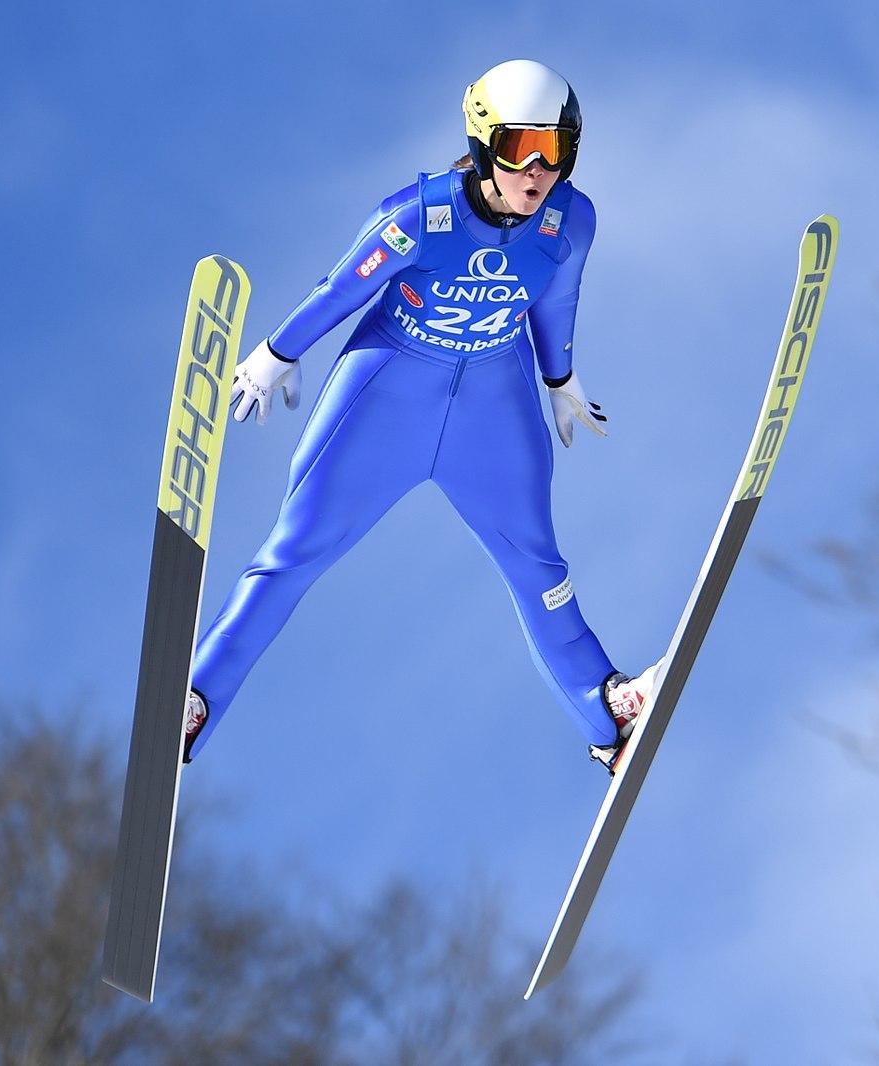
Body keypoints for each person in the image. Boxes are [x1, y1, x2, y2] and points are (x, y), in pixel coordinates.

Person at [183, 59, 660, 773]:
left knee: (537, 563)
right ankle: (193, 701)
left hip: (493, 409)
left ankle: (606, 712)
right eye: (518, 149)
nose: (536, 171)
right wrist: (277, 352)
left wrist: (559, 380)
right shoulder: (420, 216)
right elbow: (342, 287)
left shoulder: (571, 220)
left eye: (554, 150)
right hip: (388, 395)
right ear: (481, 145)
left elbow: (557, 301)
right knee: (294, 552)